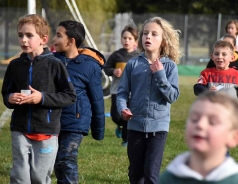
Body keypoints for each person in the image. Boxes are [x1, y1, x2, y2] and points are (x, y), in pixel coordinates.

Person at [1, 14, 76, 184]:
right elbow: (6, 93)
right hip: (20, 130)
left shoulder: (55, 65)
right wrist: (10, 98)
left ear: (43, 39)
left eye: (29, 35)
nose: (24, 40)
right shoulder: (15, 65)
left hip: (47, 131)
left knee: (39, 178)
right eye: (20, 35)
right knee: (20, 176)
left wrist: (41, 98)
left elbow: (69, 96)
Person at [117, 16, 182, 184]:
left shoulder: (169, 66)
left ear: (163, 41)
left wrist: (160, 75)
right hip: (135, 126)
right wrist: (122, 108)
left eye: (154, 34)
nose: (148, 37)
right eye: (145, 33)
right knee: (135, 174)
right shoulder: (133, 64)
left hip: (158, 129)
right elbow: (122, 92)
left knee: (151, 174)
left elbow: (173, 96)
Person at [159, 91, 238, 184]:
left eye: (212, 122)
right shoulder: (165, 180)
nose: (200, 125)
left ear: (234, 138)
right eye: (194, 119)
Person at [52, 20, 106, 184]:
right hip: (53, 121)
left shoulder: (90, 66)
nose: (54, 39)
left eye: (59, 35)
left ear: (71, 41)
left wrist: (98, 131)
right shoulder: (52, 61)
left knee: (67, 159)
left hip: (76, 121)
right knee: (57, 162)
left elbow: (97, 100)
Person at [193, 40, 238, 131]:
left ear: (232, 58)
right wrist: (207, 91)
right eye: (216, 54)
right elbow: (197, 88)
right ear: (212, 56)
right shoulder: (206, 73)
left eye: (224, 54)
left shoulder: (237, 75)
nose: (220, 57)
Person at [103, 25, 139, 147]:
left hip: (132, 92)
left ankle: (126, 140)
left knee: (127, 116)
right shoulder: (116, 55)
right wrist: (113, 71)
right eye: (124, 38)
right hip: (116, 90)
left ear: (135, 41)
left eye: (129, 38)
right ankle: (118, 125)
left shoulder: (138, 57)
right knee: (116, 116)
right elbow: (106, 68)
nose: (126, 41)